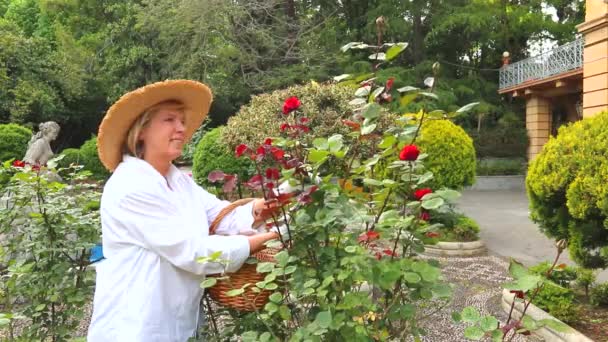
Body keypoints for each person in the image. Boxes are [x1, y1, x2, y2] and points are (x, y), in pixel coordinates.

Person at [87, 80, 285, 341]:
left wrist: (264, 206)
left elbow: (219, 215)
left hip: (176, 321)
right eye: (170, 119)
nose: (181, 128)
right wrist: (269, 238)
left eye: (182, 121)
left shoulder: (178, 181)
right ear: (141, 130)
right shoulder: (131, 187)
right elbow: (193, 252)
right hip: (136, 326)